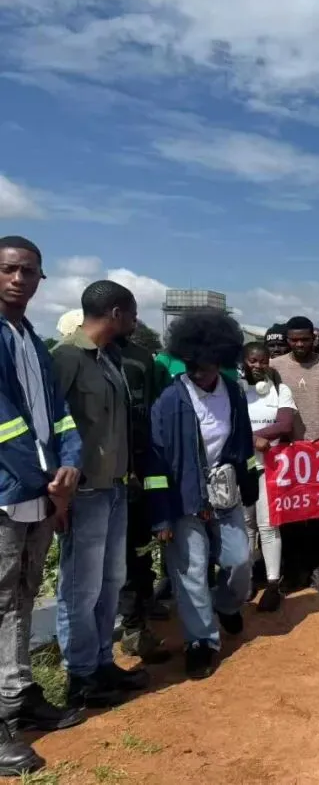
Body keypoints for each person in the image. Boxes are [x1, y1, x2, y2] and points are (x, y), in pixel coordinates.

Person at [0, 236, 84, 776]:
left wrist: (70, 463)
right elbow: (6, 425)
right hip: (10, 492)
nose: (18, 279)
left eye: (28, 271)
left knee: (22, 595)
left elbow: (59, 414)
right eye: (9, 269)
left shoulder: (30, 338)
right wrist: (48, 480)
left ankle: (18, 695)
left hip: (39, 491)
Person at [146, 310, 257, 681]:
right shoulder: (169, 400)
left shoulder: (234, 394)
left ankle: (226, 604)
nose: (196, 371)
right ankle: (201, 642)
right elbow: (155, 460)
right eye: (191, 363)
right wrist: (161, 516)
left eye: (204, 365)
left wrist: (249, 483)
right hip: (182, 498)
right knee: (191, 571)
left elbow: (243, 443)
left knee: (239, 560)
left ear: (220, 360)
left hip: (225, 492)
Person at [53, 280, 148, 708]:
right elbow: (50, 426)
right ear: (115, 313)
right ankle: (81, 676)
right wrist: (58, 491)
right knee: (81, 588)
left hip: (115, 488)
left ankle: (102, 662)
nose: (135, 321)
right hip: (85, 491)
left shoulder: (109, 359)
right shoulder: (67, 358)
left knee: (111, 582)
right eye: (132, 314)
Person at [270, 316, 319, 593]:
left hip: (318, 452)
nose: (299, 344)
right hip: (285, 452)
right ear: (288, 340)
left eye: (305, 339)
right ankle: (293, 571)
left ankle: (317, 568)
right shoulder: (274, 366)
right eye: (294, 340)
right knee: (290, 514)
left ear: (314, 339)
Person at [116, 325, 171, 665]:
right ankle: (127, 626)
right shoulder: (75, 357)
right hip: (99, 479)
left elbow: (151, 411)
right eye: (131, 314)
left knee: (137, 551)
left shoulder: (140, 359)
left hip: (139, 472)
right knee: (113, 560)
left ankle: (137, 623)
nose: (135, 321)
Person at [241, 342, 295, 612]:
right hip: (242, 467)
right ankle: (248, 579)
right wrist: (252, 439)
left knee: (268, 525)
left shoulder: (280, 390)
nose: (258, 365)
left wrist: (251, 436)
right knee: (245, 525)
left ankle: (273, 584)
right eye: (253, 360)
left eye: (263, 361)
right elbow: (227, 424)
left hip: (270, 467)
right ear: (244, 362)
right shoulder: (235, 389)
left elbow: (285, 424)